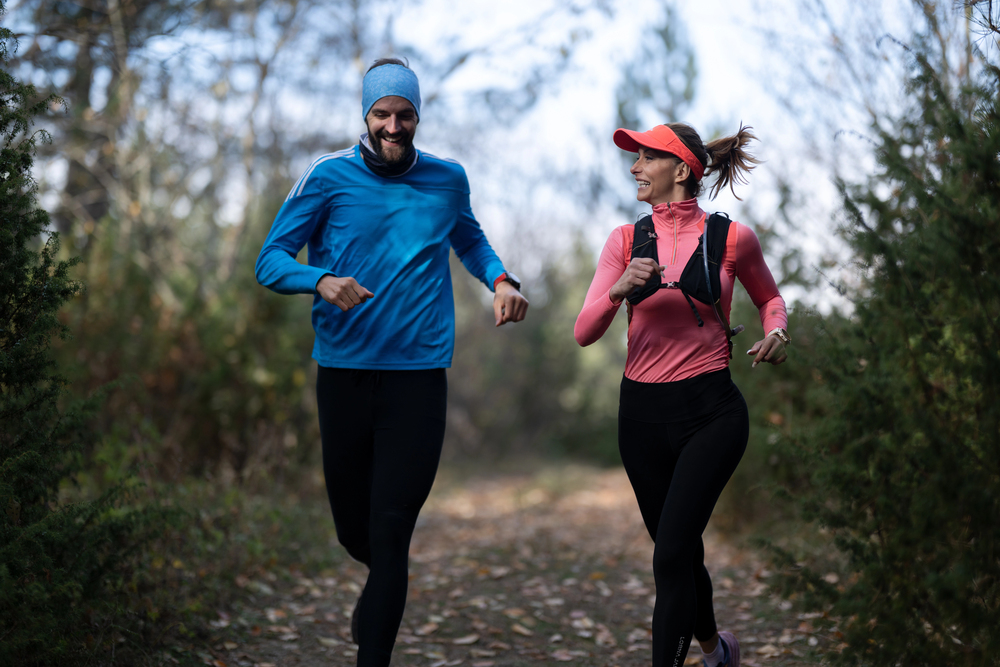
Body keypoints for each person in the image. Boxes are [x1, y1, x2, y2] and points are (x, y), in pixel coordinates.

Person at [255, 58, 528, 667]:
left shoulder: (447, 178)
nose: (394, 126)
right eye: (383, 114)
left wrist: (501, 280)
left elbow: (468, 238)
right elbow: (269, 260)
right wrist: (319, 279)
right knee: (356, 533)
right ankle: (381, 588)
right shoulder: (327, 177)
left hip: (419, 379)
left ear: (418, 116)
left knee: (392, 529)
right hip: (345, 374)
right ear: (366, 115)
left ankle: (374, 647)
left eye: (405, 115)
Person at [574, 122, 790, 667]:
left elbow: (770, 300)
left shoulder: (732, 238)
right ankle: (717, 650)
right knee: (680, 553)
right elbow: (584, 330)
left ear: (680, 168)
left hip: (711, 413)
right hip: (641, 419)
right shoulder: (624, 240)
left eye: (645, 157)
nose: (634, 168)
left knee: (670, 553)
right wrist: (620, 287)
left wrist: (777, 332)